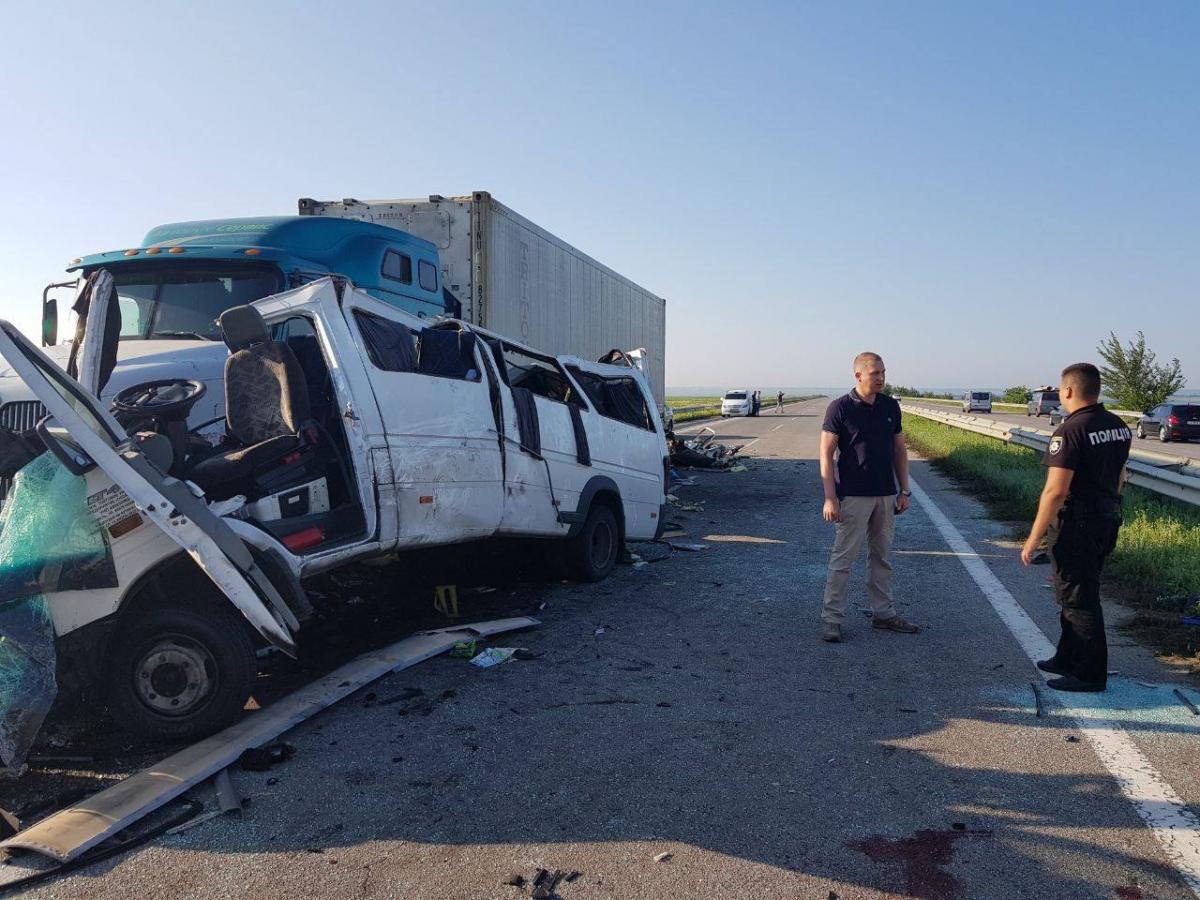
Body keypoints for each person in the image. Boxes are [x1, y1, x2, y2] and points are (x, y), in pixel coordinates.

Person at [1021, 363, 1130, 692]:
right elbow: (1121, 475)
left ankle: (1089, 673)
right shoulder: (1118, 426)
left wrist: (1033, 539)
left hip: (1077, 523)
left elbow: (1055, 491)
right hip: (1106, 518)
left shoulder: (1070, 431)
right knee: (1074, 591)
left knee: (1080, 598)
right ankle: (1067, 657)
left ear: (1067, 391)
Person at [818, 352, 918, 642]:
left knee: (882, 558)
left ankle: (884, 614)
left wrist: (904, 490)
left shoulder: (889, 406)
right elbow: (825, 455)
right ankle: (831, 619)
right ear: (858, 375)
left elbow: (899, 450)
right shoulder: (840, 408)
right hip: (853, 495)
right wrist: (830, 497)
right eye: (875, 373)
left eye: (883, 372)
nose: (881, 378)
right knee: (843, 559)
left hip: (885, 495)